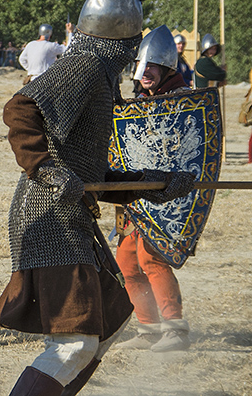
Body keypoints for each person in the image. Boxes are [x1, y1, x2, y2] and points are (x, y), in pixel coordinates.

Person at [0, 0, 195, 395]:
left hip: (72, 216)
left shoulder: (99, 77)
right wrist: (47, 169)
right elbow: (19, 109)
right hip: (50, 216)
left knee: (110, 322)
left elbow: (93, 172)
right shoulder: (83, 66)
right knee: (75, 344)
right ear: (122, 40)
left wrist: (157, 184)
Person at [113, 26, 192, 353]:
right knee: (126, 262)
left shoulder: (183, 100)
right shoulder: (141, 102)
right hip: (136, 196)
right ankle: (148, 328)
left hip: (165, 196)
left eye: (152, 67)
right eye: (141, 67)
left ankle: (175, 329)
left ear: (167, 69)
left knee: (151, 257)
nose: (145, 73)